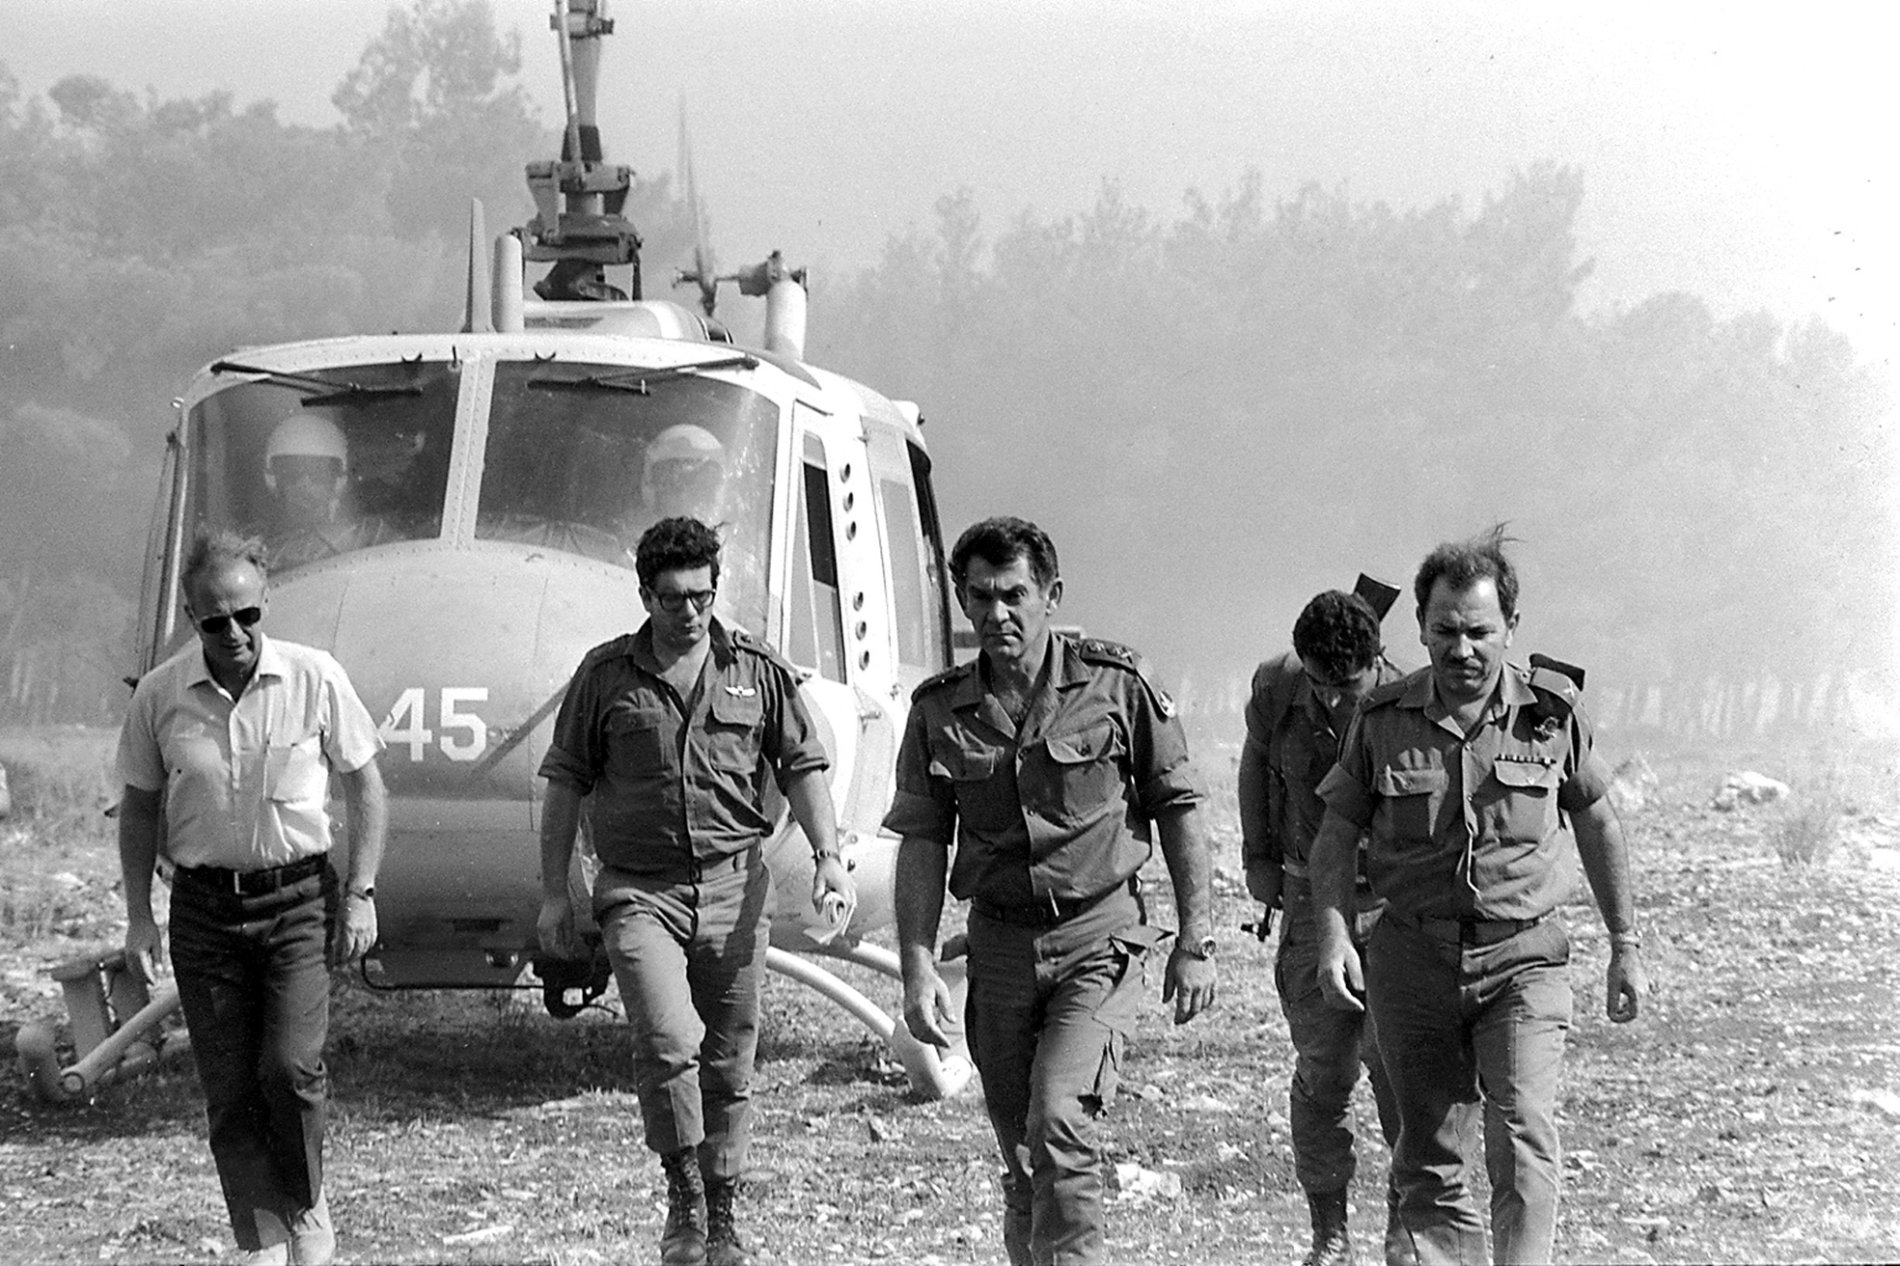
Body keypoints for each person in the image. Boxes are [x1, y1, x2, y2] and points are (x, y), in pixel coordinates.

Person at [1310, 528, 1648, 1265]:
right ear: (1422, 629)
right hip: (1412, 961)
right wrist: (1334, 934)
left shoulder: (1552, 716)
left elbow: (1594, 818)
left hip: (1524, 960)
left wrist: (1625, 945)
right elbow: (1337, 832)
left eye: (1479, 632)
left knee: (1523, 1130)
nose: (1462, 649)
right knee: (1427, 1151)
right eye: (1445, 631)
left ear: (1511, 630)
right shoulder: (1382, 718)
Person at [888, 515, 1217, 1266]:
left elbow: (1179, 807)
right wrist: (915, 965)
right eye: (979, 598)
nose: (996, 615)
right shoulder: (938, 710)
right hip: (999, 949)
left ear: (1051, 594)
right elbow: (921, 838)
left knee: (1061, 1124)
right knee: (1024, 1156)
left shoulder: (1116, 685)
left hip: (1097, 941)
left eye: (1014, 595)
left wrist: (1195, 941)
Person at [535, 516, 853, 1266]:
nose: (691, 613)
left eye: (703, 597)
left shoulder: (755, 669)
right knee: (669, 1039)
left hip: (734, 887)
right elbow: (564, 783)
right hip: (640, 894)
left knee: (729, 1057)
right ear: (645, 595)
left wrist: (830, 856)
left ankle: (723, 1212)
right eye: (674, 598)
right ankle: (682, 1194)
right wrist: (556, 890)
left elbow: (802, 765)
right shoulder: (606, 676)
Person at [117, 529, 387, 1266]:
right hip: (204, 909)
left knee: (291, 1068)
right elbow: (140, 808)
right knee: (229, 1085)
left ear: (267, 600)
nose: (232, 633)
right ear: (190, 616)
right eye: (213, 621)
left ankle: (305, 1204)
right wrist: (140, 915)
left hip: (298, 900)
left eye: (246, 615)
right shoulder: (159, 696)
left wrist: (359, 892)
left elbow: (365, 787)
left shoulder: (315, 678)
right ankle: (262, 1234)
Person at [1239, 586, 1407, 1266]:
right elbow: (1254, 761)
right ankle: (1329, 1235)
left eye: (1350, 685)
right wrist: (1256, 854)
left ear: (1377, 661)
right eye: (1322, 684)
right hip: (1311, 900)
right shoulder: (1278, 688)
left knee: (1399, 1071)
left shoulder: (1412, 700)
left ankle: (1409, 1224)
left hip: (1397, 906)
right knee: (1323, 1069)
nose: (1336, 700)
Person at [262, 412, 401, 570]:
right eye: (292, 471)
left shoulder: (370, 537)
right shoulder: (254, 547)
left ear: (338, 479)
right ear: (273, 478)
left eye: (317, 472)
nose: (304, 484)